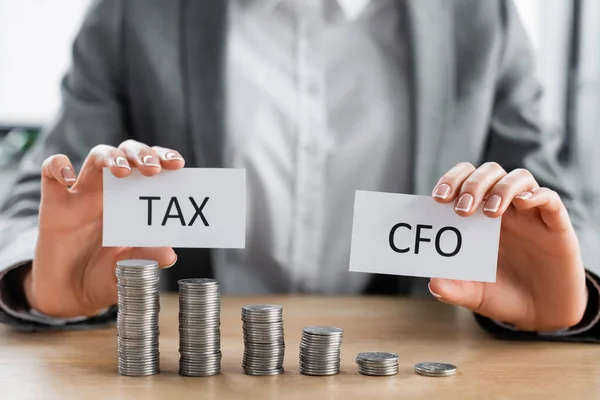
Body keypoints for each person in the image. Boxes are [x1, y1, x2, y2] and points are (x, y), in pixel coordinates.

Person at [0, 0, 599, 341]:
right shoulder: (135, 13)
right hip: (195, 366)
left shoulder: (480, 16)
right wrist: (38, 280)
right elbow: (45, 195)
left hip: (412, 363)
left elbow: (555, 204)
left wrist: (579, 293)